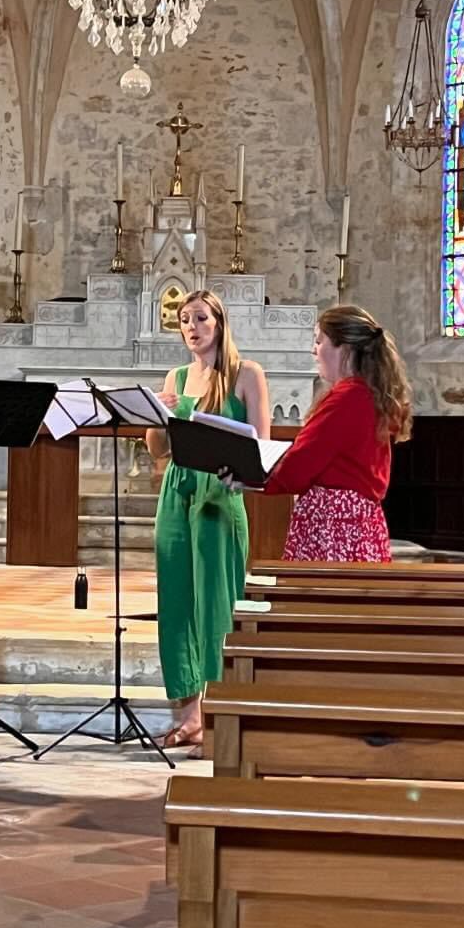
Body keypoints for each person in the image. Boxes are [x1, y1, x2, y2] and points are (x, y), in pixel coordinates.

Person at [145, 289, 270, 753]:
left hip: (220, 493)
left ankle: (222, 719)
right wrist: (158, 416)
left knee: (216, 605)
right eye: (184, 320)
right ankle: (189, 718)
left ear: (219, 322)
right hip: (177, 490)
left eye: (200, 318)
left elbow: (261, 449)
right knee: (177, 603)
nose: (191, 328)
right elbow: (157, 449)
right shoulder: (176, 377)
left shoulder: (246, 374)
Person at [259, 305, 412, 562]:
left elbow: (299, 467)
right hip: (356, 521)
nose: (314, 350)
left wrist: (250, 477)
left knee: (322, 589)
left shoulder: (348, 398)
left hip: (334, 524)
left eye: (319, 341)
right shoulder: (368, 394)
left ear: (344, 347)